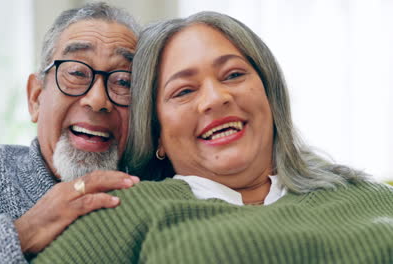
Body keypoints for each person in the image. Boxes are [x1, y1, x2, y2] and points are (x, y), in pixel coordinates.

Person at [31, 11, 393, 263]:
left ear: (270, 96)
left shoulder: (368, 195)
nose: (216, 98)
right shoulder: (123, 212)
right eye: (184, 91)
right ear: (156, 132)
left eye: (233, 75)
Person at [0, 3, 141, 263]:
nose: (97, 100)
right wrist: (24, 234)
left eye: (123, 82)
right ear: (36, 98)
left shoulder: (159, 192)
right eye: (76, 72)